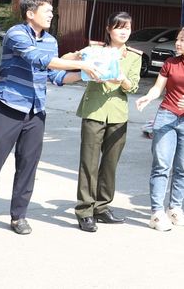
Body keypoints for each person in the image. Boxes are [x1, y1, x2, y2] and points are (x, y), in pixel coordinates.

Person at [0, 0, 100, 235]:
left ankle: (18, 216)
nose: (52, 14)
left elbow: (55, 76)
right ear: (31, 13)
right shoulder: (16, 34)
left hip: (36, 111)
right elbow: (37, 58)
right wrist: (78, 62)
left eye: (52, 11)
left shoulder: (51, 40)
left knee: (28, 165)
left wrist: (88, 75)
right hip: (9, 107)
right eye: (47, 11)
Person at [62, 12, 142, 233]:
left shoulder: (134, 56)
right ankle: (85, 211)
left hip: (118, 114)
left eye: (127, 27)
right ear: (108, 29)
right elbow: (76, 67)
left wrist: (123, 80)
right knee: (89, 162)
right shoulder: (95, 51)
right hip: (94, 110)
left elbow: (133, 87)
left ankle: (102, 206)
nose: (124, 31)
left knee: (110, 164)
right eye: (119, 27)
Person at [135, 25, 184, 232]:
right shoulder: (170, 63)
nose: (177, 43)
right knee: (161, 165)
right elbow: (157, 88)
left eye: (182, 40)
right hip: (167, 115)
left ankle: (175, 209)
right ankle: (157, 213)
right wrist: (148, 97)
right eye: (178, 39)